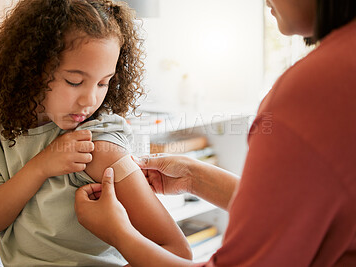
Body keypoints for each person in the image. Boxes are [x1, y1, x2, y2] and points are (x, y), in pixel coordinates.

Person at [74, 0, 356, 266]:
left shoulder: (312, 92)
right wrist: (193, 177)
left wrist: (121, 234)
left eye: (103, 82)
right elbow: (298, 211)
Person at [0, 0, 192, 266]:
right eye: (75, 81)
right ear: (33, 69)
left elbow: (177, 252)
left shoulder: (97, 145)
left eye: (103, 83)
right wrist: (40, 167)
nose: (90, 100)